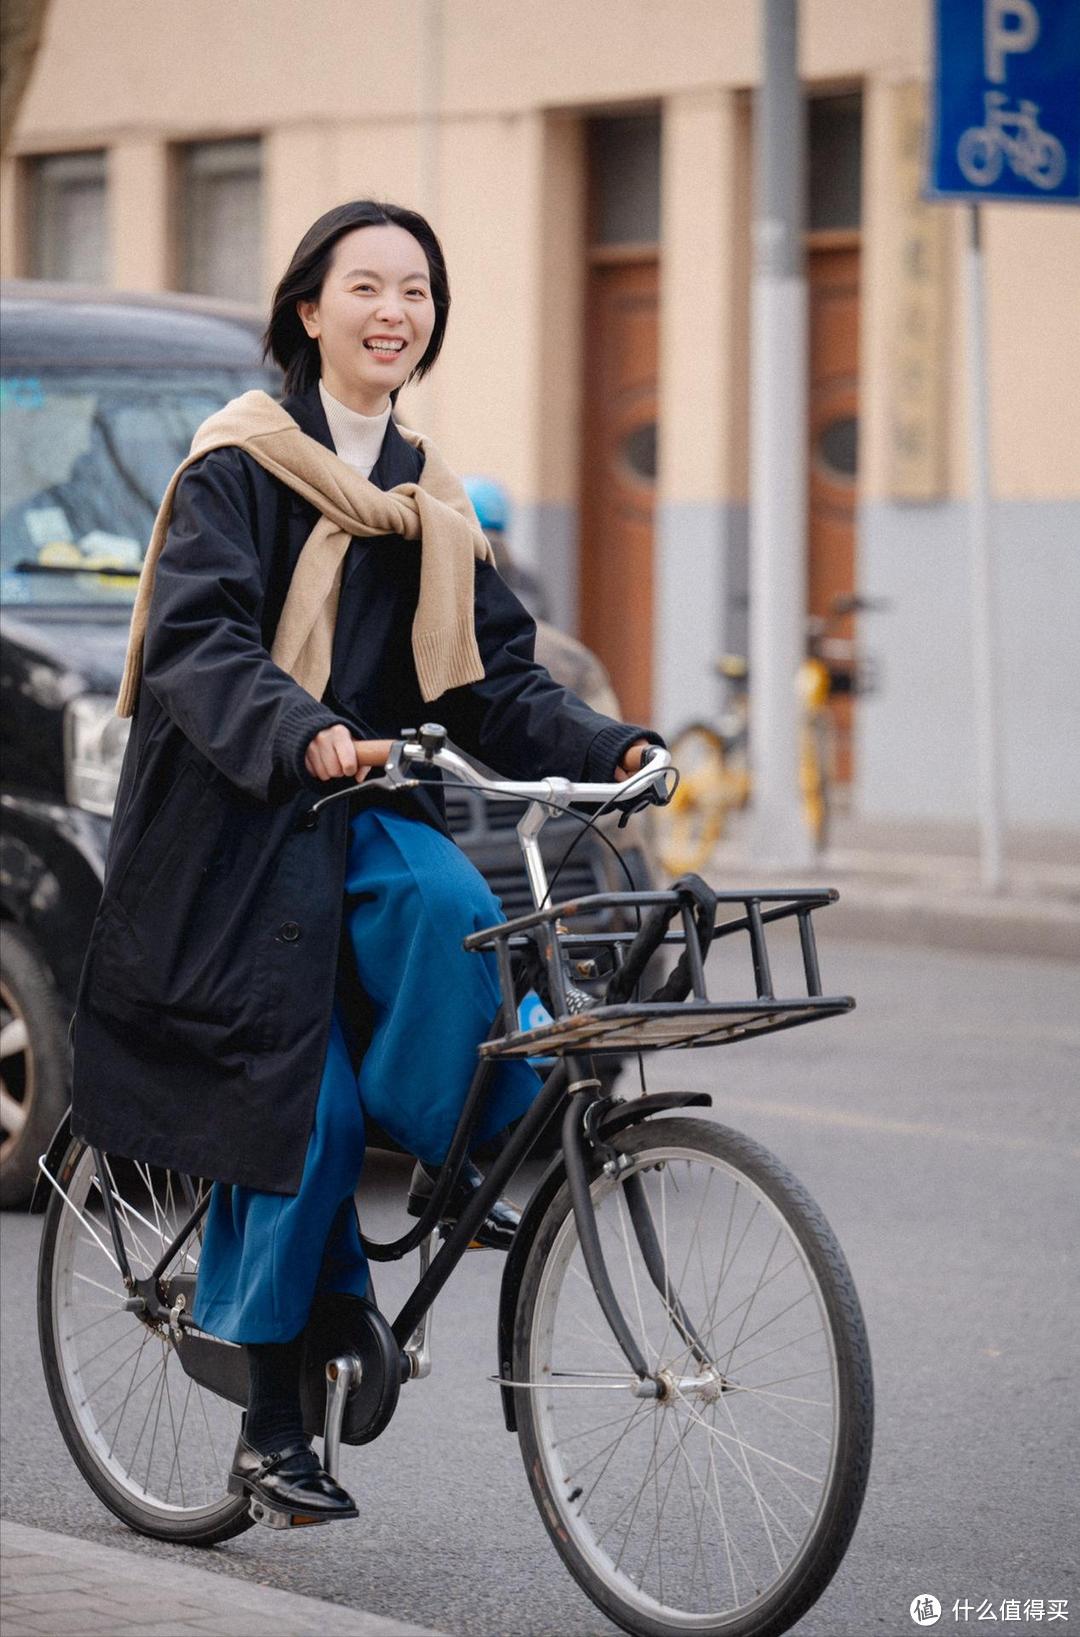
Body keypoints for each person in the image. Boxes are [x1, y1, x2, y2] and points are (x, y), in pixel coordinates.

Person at [69, 199, 660, 1526]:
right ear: (307, 310)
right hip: (233, 829)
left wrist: (615, 745)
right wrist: (310, 728)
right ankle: (270, 1426)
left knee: (455, 907)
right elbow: (199, 642)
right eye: (368, 287)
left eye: (418, 292)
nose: (396, 311)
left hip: (358, 821)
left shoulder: (427, 498)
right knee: (305, 1112)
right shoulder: (240, 467)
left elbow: (499, 682)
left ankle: (449, 1157)